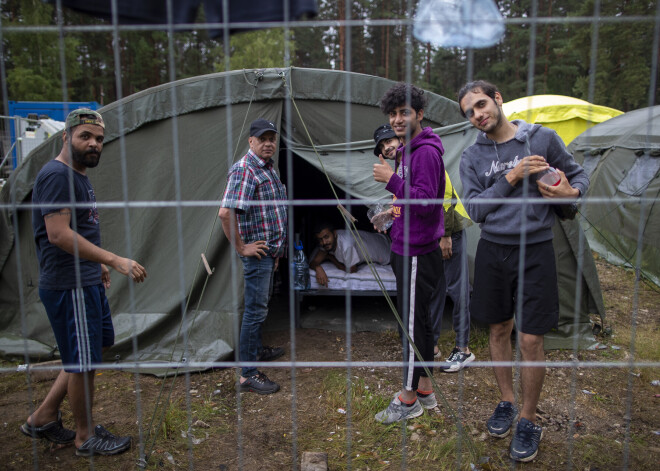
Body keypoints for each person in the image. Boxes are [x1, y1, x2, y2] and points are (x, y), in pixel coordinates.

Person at [457, 80, 588, 462]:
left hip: (536, 249)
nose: (478, 114)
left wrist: (572, 194)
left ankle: (528, 419)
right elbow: (476, 210)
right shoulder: (471, 158)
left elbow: (579, 176)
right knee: (498, 329)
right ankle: (507, 402)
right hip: (493, 249)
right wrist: (511, 177)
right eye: (470, 112)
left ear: (497, 99)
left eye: (481, 104)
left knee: (530, 340)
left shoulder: (541, 139)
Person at [23, 108, 147, 457]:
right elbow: (59, 234)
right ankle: (84, 436)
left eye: (99, 139)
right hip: (69, 284)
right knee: (83, 361)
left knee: (93, 350)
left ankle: (44, 417)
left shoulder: (78, 175)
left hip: (85, 277)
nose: (94, 144)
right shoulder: (57, 176)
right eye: (85, 137)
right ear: (66, 137)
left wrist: (97, 266)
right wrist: (114, 260)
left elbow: (81, 228)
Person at [371, 83, 446, 424]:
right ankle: (426, 390)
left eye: (404, 112)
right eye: (393, 113)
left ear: (419, 114)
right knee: (421, 323)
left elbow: (429, 204)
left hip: (416, 251)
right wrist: (391, 213)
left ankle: (407, 399)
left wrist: (391, 181)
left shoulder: (425, 152)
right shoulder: (405, 151)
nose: (397, 119)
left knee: (412, 327)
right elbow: (412, 199)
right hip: (406, 244)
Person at [373, 124, 475, 372]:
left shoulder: (423, 156)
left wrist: (447, 235)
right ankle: (433, 346)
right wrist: (390, 213)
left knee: (456, 288)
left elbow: (443, 196)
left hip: (448, 232)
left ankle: (463, 349)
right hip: (432, 236)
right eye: (382, 147)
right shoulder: (402, 163)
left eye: (389, 140)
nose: (387, 147)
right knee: (434, 292)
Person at [219, 118, 287, 395]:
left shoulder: (267, 168)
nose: (269, 143)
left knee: (261, 306)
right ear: (251, 141)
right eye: (263, 139)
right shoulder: (245, 169)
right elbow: (226, 212)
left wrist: (278, 249)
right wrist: (241, 247)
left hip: (269, 252)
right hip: (257, 255)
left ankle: (256, 350)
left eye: (272, 138)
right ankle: (247, 374)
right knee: (255, 310)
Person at [309, 222, 390, 287]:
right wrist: (318, 268)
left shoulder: (346, 245)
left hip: (387, 252)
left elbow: (352, 270)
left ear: (334, 233)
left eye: (326, 237)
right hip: (380, 237)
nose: (324, 242)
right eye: (320, 239)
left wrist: (331, 258)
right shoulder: (327, 243)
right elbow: (314, 262)